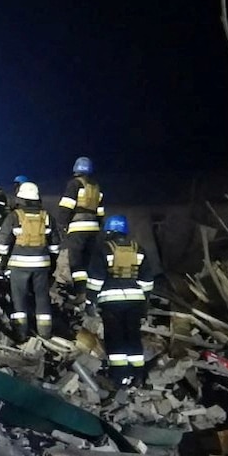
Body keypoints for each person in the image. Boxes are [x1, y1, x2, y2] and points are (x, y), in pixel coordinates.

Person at [86, 214, 154, 386]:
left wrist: (90, 301)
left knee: (115, 338)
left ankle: (120, 376)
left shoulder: (103, 249)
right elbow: (147, 281)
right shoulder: (138, 249)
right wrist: (144, 301)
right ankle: (138, 375)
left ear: (109, 230)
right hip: (135, 302)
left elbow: (96, 280)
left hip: (111, 303)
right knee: (133, 336)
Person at [0, 182, 60, 341]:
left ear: (20, 198)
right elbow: (55, 245)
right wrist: (50, 263)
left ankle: (21, 334)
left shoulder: (14, 216)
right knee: (42, 299)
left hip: (19, 266)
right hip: (42, 266)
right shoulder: (47, 217)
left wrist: (1, 262)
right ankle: (45, 333)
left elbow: (3, 242)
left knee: (19, 301)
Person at [57, 156, 105, 303]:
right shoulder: (96, 187)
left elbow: (66, 206)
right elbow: (100, 212)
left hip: (77, 229)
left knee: (76, 263)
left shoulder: (74, 184)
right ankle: (91, 295)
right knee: (88, 262)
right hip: (94, 231)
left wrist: (61, 225)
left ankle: (80, 294)